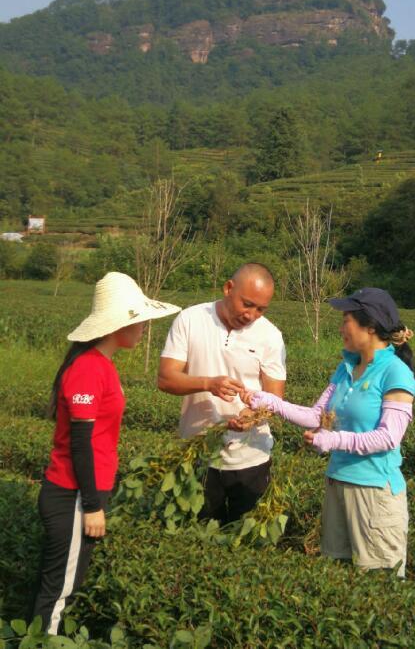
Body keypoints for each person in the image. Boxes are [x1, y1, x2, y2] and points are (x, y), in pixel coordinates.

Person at [32, 272, 180, 634]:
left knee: (63, 585)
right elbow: (80, 443)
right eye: (140, 320)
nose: (144, 327)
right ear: (118, 325)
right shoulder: (87, 368)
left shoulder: (101, 365)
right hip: (72, 495)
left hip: (82, 492)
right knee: (59, 592)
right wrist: (92, 505)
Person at [241, 287, 415, 577]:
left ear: (370, 326)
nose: (340, 328)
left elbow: (388, 437)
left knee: (378, 581)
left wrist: (333, 439)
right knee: (337, 575)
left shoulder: (395, 372)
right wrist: (271, 402)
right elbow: (317, 416)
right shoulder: (347, 368)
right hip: (337, 484)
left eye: (346, 320)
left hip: (373, 492)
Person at [158, 263, 286, 525]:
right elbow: (166, 379)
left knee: (244, 536)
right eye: (247, 304)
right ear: (228, 288)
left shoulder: (271, 336)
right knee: (197, 534)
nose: (251, 315)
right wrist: (208, 383)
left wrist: (251, 416)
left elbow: (275, 398)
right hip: (197, 453)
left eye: (260, 309)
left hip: (250, 457)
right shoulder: (190, 319)